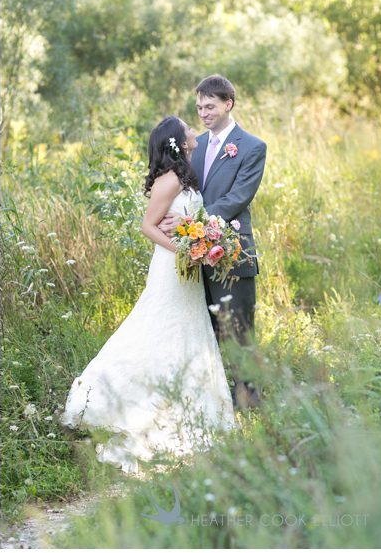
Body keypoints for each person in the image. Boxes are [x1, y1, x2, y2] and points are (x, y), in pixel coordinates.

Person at [61, 116, 235, 474]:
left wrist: (198, 234)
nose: (193, 131)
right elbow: (147, 226)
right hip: (171, 269)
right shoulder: (170, 179)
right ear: (178, 141)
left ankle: (190, 410)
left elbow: (187, 219)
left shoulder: (186, 175)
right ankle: (108, 399)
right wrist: (182, 248)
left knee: (186, 333)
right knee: (157, 329)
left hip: (188, 271)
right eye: (188, 128)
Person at [159, 74, 267, 409]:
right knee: (205, 331)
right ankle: (214, 402)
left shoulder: (252, 146)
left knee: (238, 329)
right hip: (195, 253)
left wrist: (191, 222)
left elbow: (238, 196)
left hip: (232, 250)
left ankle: (249, 403)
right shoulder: (195, 145)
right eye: (199, 107)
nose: (203, 113)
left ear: (228, 104)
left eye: (210, 106)